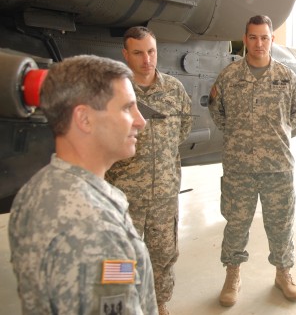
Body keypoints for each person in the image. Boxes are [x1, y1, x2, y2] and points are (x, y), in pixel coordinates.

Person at [9, 55, 157, 314]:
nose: (141, 121)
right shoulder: (95, 229)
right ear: (84, 119)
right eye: (126, 108)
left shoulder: (37, 189)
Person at [208, 14, 296, 307]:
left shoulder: (286, 77)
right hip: (239, 167)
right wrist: (241, 136)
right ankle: (232, 275)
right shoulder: (229, 76)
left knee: (281, 224)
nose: (259, 43)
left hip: (278, 165)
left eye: (264, 37)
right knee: (236, 223)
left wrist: (278, 131)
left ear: (272, 39)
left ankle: (283, 273)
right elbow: (218, 112)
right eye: (253, 37)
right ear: (246, 38)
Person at [106, 26, 193, 315]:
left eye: (152, 51)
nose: (147, 59)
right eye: (138, 53)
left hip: (164, 194)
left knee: (163, 254)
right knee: (119, 256)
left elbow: (182, 129)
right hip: (123, 194)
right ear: (125, 55)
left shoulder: (174, 90)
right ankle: (118, 307)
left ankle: (159, 303)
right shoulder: (111, 91)